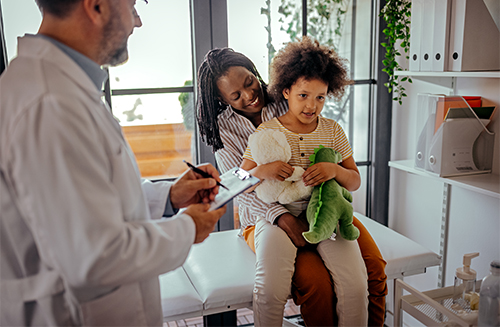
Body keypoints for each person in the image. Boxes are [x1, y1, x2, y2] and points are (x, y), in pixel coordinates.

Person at [0, 0, 226, 326]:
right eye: (133, 4)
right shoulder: (49, 104)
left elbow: (91, 197)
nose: (138, 21)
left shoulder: (60, 89)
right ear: (96, 6)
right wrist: (188, 227)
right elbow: (96, 258)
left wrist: (168, 197)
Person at [197, 45, 388, 325]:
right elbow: (236, 184)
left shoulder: (286, 96)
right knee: (317, 285)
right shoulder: (224, 128)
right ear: (221, 98)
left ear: (255, 72)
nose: (250, 95)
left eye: (250, 82)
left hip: (318, 204)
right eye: (236, 95)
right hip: (265, 218)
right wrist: (283, 217)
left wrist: (331, 188)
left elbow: (321, 131)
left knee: (374, 271)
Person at [241, 35, 369, 326]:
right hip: (278, 218)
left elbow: (354, 181)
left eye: (320, 97)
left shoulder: (333, 131)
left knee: (356, 285)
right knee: (269, 288)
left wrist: (334, 171)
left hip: (325, 214)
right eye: (303, 95)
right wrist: (263, 170)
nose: (312, 106)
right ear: (285, 91)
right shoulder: (266, 132)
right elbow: (239, 180)